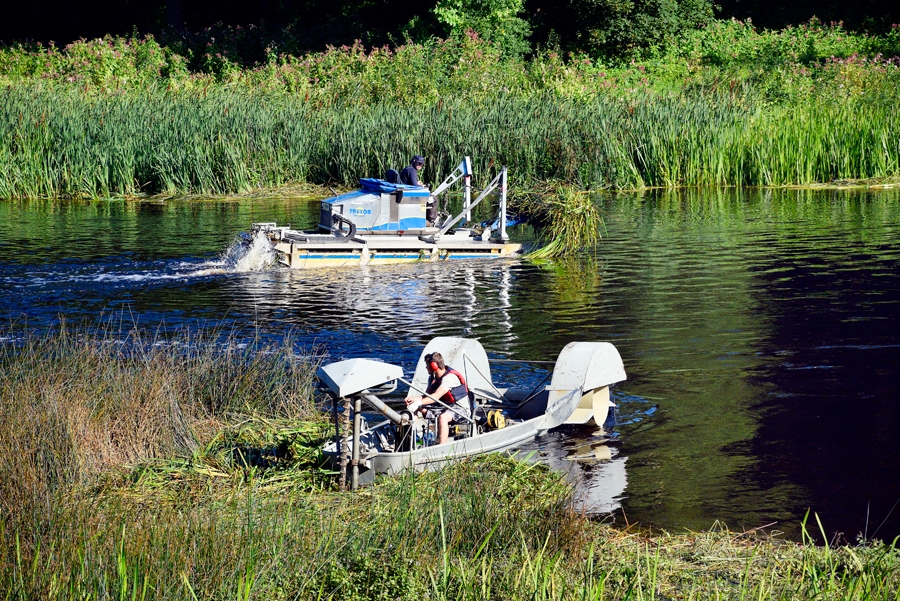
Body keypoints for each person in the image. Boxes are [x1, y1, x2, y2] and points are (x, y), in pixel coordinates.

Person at [405, 352, 470, 445]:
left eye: (427, 366)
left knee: (443, 417)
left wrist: (419, 402)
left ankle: (441, 448)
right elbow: (426, 396)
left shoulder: (449, 378)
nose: (426, 368)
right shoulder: (432, 378)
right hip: (443, 407)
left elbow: (435, 396)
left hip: (460, 409)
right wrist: (413, 399)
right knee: (415, 407)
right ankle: (413, 440)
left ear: (434, 366)